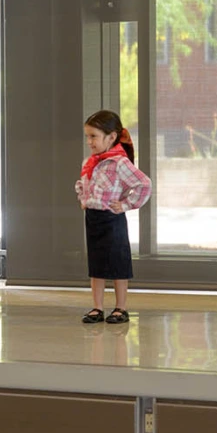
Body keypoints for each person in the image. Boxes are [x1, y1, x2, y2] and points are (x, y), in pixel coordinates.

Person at [75, 110, 151, 324]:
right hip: (93, 217)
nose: (90, 141)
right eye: (87, 136)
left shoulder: (119, 163)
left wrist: (126, 204)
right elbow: (82, 183)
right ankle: (97, 307)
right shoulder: (89, 162)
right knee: (96, 263)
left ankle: (120, 307)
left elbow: (143, 184)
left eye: (94, 136)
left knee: (118, 262)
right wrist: (84, 198)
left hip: (112, 218)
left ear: (111, 137)